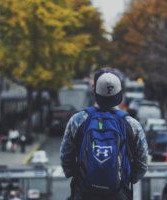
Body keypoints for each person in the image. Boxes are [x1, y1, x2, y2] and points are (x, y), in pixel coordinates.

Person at [60, 68, 148, 200]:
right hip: (119, 194)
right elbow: (142, 164)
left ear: (95, 93)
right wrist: (126, 179)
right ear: (120, 95)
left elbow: (66, 157)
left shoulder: (78, 120)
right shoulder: (132, 124)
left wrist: (77, 176)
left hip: (84, 193)